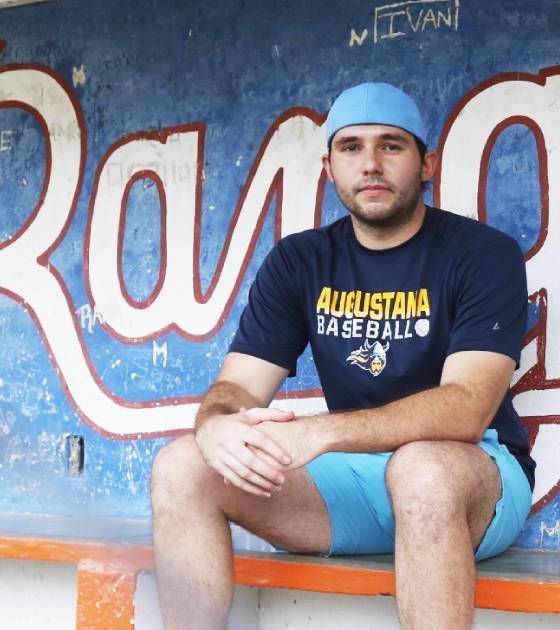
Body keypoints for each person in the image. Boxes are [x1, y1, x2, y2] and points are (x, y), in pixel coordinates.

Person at [150, 82, 534, 630]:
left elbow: (466, 409)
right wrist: (214, 425)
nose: (370, 164)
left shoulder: (482, 253)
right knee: (180, 464)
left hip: (470, 478)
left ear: (427, 164)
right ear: (330, 168)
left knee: (421, 470)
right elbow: (239, 387)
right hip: (355, 484)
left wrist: (320, 432)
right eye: (351, 148)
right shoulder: (300, 260)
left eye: (391, 146)